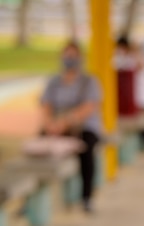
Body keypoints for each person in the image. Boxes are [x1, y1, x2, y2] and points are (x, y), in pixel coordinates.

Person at [40, 40, 102, 213]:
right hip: (59, 127)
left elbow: (88, 108)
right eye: (67, 56)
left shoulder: (89, 81)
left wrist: (64, 122)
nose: (69, 59)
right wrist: (49, 124)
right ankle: (31, 198)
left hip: (83, 128)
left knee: (86, 151)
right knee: (39, 145)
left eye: (73, 56)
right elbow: (46, 106)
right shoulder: (54, 81)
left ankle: (87, 197)